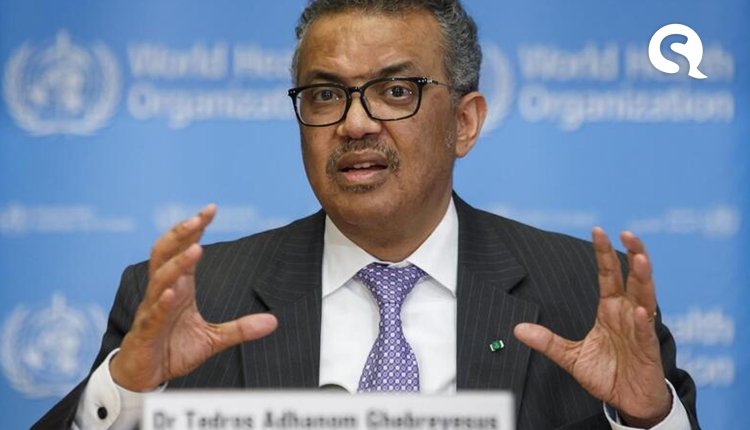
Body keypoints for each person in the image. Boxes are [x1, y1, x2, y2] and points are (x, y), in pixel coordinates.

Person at [34, 1, 699, 429]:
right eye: (326, 95)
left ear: (465, 123)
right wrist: (127, 390)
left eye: (395, 90)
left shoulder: (584, 293)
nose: (355, 124)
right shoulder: (196, 299)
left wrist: (645, 419)